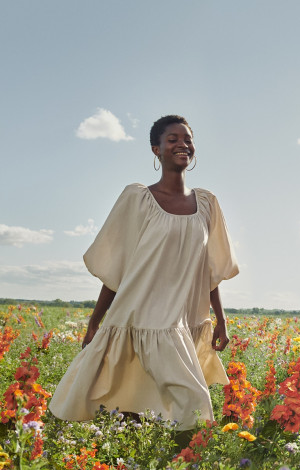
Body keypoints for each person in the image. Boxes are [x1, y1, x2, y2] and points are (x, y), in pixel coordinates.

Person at [50, 115, 239, 432]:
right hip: (138, 316)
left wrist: (220, 318)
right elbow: (118, 267)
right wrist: (96, 320)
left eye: (188, 139)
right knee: (140, 405)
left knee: (164, 404)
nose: (183, 144)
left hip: (178, 321)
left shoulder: (207, 204)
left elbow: (209, 270)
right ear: (156, 149)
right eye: (173, 139)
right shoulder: (137, 199)